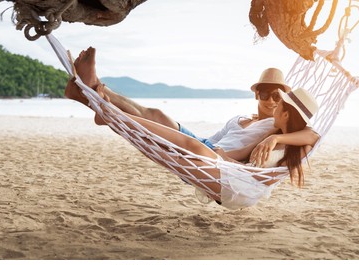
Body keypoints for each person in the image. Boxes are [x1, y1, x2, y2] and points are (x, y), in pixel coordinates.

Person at [66, 76, 318, 209]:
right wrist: (232, 153)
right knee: (164, 125)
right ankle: (98, 98)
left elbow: (313, 137)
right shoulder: (272, 131)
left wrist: (276, 137)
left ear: (285, 113)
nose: (274, 103)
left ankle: (110, 114)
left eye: (280, 101)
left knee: (182, 149)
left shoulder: (289, 141)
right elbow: (246, 153)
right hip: (228, 167)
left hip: (237, 184)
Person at [66, 47, 319, 166]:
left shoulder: (275, 128)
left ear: (284, 104)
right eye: (265, 93)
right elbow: (211, 140)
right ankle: (92, 90)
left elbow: (313, 134)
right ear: (257, 95)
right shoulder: (240, 118)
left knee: (165, 131)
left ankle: (103, 108)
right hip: (204, 145)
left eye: (277, 96)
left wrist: (272, 141)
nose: (270, 100)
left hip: (211, 158)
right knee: (157, 115)